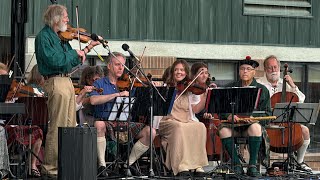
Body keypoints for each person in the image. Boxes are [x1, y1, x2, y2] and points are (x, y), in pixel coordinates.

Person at [34, 4, 100, 177]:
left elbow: (71, 61)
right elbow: (56, 61)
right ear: (56, 18)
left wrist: (87, 48)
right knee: (58, 125)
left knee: (70, 126)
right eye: (65, 17)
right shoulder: (44, 37)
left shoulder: (60, 38)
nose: (68, 20)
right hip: (56, 80)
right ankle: (51, 168)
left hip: (66, 81)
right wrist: (74, 54)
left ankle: (66, 165)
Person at [90, 52, 157, 177]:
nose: (121, 68)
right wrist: (117, 95)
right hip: (106, 122)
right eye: (117, 65)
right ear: (109, 66)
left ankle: (128, 164)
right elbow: (93, 100)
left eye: (123, 65)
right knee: (98, 124)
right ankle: (102, 165)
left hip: (125, 122)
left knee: (151, 132)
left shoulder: (128, 83)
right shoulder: (100, 83)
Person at [218, 56, 271, 177]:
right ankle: (237, 165)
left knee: (256, 128)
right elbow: (221, 110)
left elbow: (267, 113)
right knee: (223, 130)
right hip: (233, 127)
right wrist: (229, 115)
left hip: (250, 128)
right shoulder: (229, 88)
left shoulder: (262, 90)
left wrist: (253, 118)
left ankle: (252, 165)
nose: (245, 71)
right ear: (238, 71)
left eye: (248, 69)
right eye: (242, 69)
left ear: (254, 72)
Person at [257, 55, 312, 172]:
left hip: (287, 122)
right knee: (256, 131)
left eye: (275, 67)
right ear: (265, 69)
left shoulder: (285, 83)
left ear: (279, 68)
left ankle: (300, 162)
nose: (273, 70)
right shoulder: (259, 84)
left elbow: (301, 100)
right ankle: (260, 164)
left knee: (305, 131)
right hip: (268, 123)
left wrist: (292, 85)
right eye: (270, 68)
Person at [158, 59, 208, 177]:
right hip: (168, 121)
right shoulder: (166, 87)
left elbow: (195, 110)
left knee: (200, 126)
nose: (179, 72)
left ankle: (197, 165)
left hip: (186, 119)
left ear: (186, 73)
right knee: (179, 126)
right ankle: (181, 165)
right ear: (172, 72)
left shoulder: (190, 88)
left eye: (182, 70)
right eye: (176, 70)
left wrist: (205, 97)